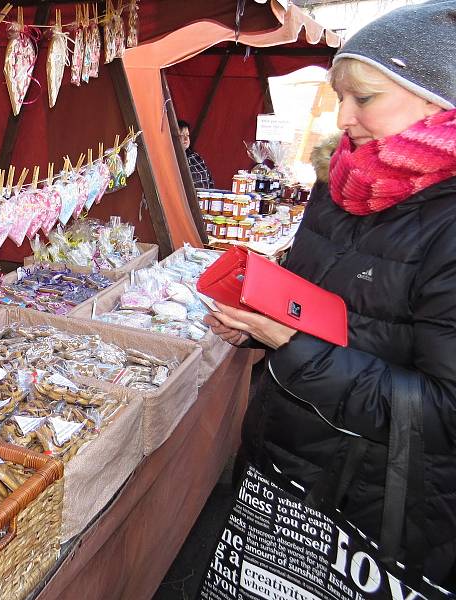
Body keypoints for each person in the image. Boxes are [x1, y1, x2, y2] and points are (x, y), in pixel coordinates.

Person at [204, 0, 456, 587]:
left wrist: (292, 344)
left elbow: (446, 412)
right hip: (282, 467)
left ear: (439, 99)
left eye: (363, 97)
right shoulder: (341, 183)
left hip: (376, 509)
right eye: (339, 95)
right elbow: (331, 313)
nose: (342, 117)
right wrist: (257, 323)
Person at [177, 119, 214, 189]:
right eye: (181, 135)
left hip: (205, 197)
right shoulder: (172, 159)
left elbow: (210, 179)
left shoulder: (196, 157)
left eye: (187, 135)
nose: (186, 139)